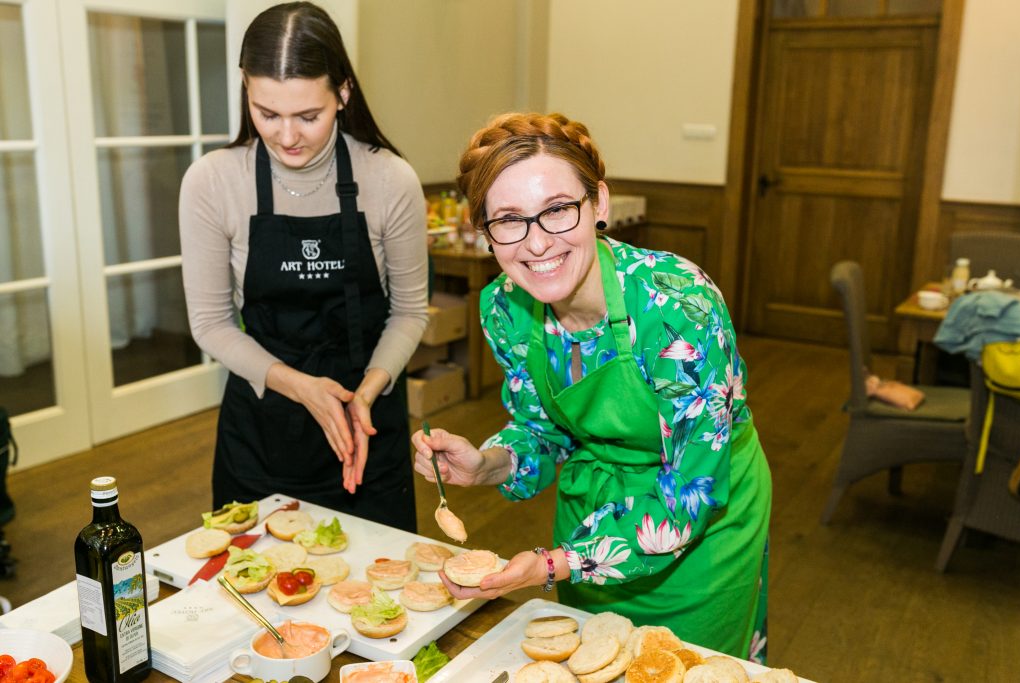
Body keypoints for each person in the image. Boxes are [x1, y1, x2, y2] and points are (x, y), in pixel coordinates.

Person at [411, 113, 771, 661]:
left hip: (703, 530)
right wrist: (488, 465)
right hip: (592, 522)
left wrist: (550, 564)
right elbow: (542, 430)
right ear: (484, 231)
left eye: (557, 209)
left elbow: (690, 492)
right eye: (508, 220)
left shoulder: (676, 305)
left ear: (598, 204)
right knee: (591, 660)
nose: (536, 244)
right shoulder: (505, 309)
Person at [180, 2, 427, 531]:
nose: (286, 136)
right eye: (266, 113)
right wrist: (302, 387)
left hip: (366, 423)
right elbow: (211, 324)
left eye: (307, 116)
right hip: (262, 426)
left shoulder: (389, 180)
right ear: (245, 89)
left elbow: (409, 311)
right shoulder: (213, 182)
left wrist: (364, 393)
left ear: (342, 93)